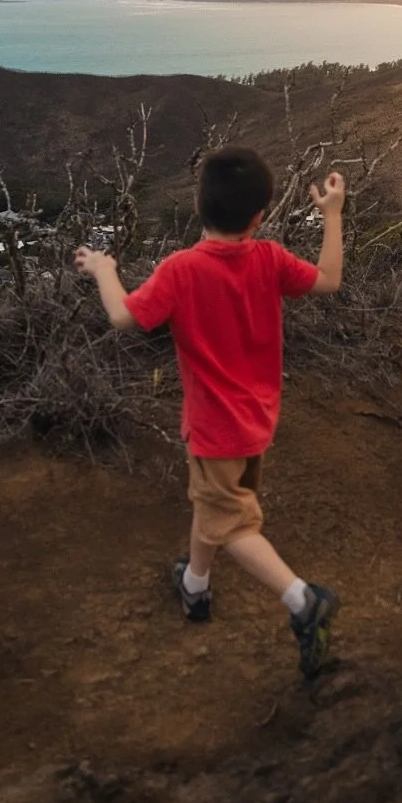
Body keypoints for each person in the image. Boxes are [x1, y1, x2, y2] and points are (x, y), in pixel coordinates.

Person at [74, 145, 345, 679]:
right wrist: (332, 215)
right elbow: (329, 279)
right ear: (259, 216)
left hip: (215, 428)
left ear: (198, 208)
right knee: (215, 505)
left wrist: (104, 269)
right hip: (257, 418)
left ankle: (303, 601)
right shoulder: (268, 258)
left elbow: (123, 317)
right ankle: (194, 586)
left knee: (234, 523)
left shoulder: (181, 269)